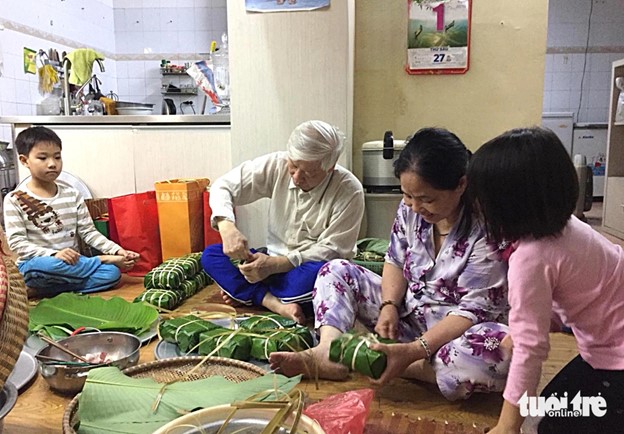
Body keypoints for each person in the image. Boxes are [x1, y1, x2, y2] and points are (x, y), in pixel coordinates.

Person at [270, 127, 511, 401]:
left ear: (460, 185)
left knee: (500, 352)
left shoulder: (487, 229)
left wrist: (412, 351)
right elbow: (395, 260)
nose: (415, 206)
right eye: (408, 196)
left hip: (456, 335)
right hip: (409, 319)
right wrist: (389, 306)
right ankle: (329, 352)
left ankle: (402, 364)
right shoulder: (410, 211)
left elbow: (472, 311)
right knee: (335, 270)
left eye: (426, 199)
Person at [467, 127, 624, 433]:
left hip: (616, 357)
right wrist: (539, 323)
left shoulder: (530, 258)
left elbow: (530, 351)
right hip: (608, 344)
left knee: (547, 427)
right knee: (542, 409)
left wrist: (506, 426)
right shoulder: (567, 224)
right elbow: (580, 287)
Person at [202, 120, 364, 324]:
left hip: (305, 267)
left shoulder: (349, 190)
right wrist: (226, 225)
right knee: (211, 256)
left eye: (308, 173)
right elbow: (223, 186)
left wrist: (277, 265)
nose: (296, 177)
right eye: (294, 166)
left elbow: (333, 250)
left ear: (330, 168)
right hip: (271, 257)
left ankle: (248, 293)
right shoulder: (277, 164)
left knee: (323, 276)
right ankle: (274, 303)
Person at [4, 126, 139, 297]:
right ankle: (98, 261)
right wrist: (54, 254)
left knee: (112, 274)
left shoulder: (72, 195)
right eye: (43, 158)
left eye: (57, 157)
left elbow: (88, 232)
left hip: (72, 267)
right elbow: (17, 243)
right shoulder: (14, 199)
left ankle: (44, 291)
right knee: (45, 266)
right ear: (24, 161)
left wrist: (117, 251)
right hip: (39, 266)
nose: (52, 163)